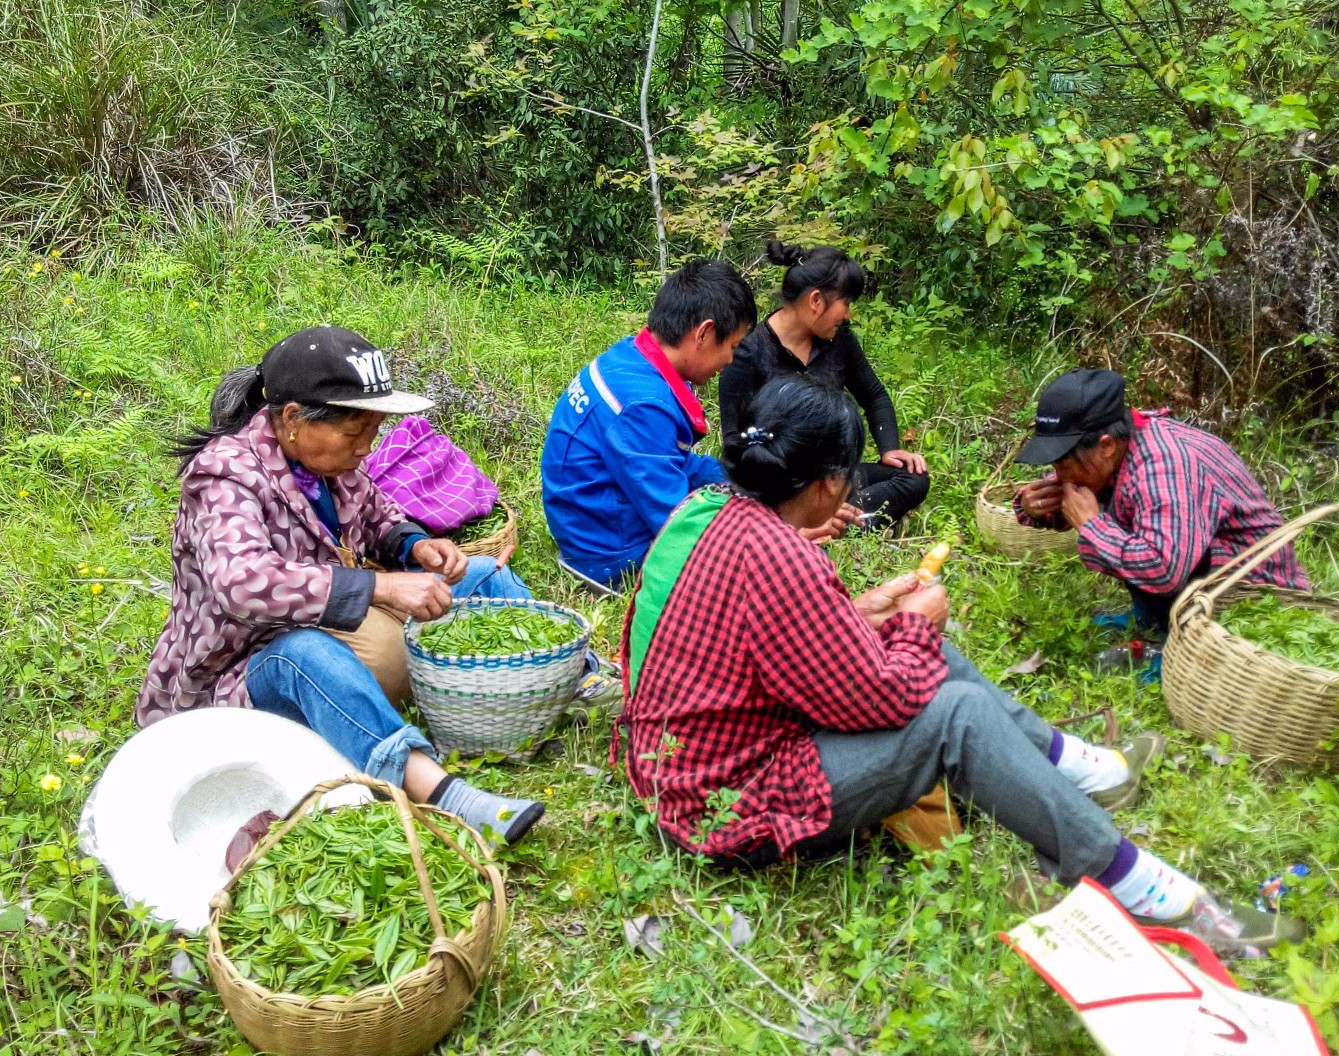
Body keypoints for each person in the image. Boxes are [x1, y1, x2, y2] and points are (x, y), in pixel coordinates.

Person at [615, 376, 1304, 956]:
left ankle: (1080, 771)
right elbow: (881, 699)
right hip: (726, 805)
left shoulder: (708, 512)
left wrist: (873, 614)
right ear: (830, 483)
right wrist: (913, 623)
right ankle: (1139, 886)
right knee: (957, 714)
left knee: (931, 662)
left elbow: (773, 644)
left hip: (680, 767)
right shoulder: (786, 557)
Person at [135, 325, 543, 845]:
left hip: (321, 622)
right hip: (239, 670)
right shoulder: (224, 476)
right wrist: (382, 589)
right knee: (304, 655)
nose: (367, 447)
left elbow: (375, 515)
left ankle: (574, 678)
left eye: (371, 430)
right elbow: (242, 583)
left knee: (481, 575)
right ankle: (442, 793)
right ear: (291, 420)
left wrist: (414, 546)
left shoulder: (328, 461)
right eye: (355, 434)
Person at [1014, 368, 1308, 633]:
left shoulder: (1165, 466)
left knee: (1132, 539)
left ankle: (1179, 638)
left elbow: (1163, 569)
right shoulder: (1116, 451)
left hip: (1254, 591)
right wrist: (1034, 507)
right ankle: (1148, 619)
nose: (1057, 475)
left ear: (1105, 446)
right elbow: (1076, 497)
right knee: (1123, 520)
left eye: (1063, 465)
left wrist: (1092, 526)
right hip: (1197, 565)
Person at [540, 260, 760, 589]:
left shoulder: (632, 358)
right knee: (748, 559)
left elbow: (666, 458)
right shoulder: (644, 405)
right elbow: (671, 520)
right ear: (704, 333)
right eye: (732, 347)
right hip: (609, 552)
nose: (730, 360)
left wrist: (743, 482)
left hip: (591, 516)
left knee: (735, 495)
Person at [718, 241, 929, 533]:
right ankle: (823, 525)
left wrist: (889, 449)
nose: (848, 314)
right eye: (846, 303)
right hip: (778, 487)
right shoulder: (748, 353)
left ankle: (832, 521)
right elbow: (734, 443)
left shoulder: (839, 340)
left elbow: (874, 395)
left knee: (913, 477)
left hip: (829, 481)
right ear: (816, 300)